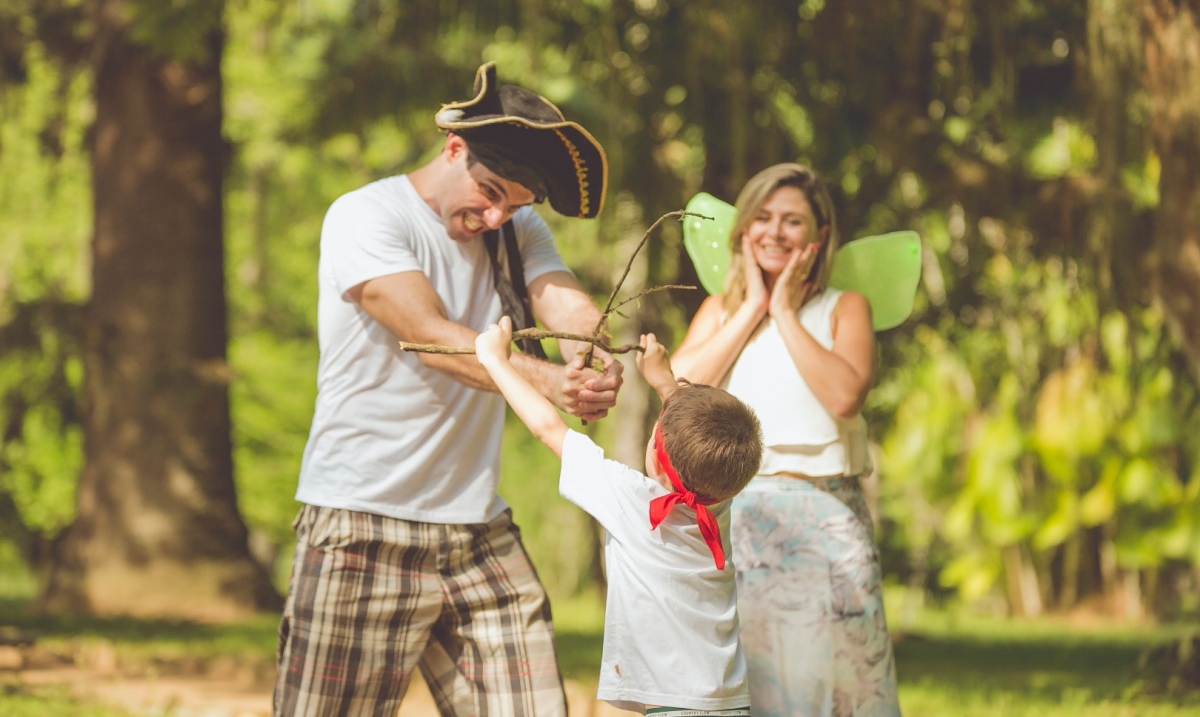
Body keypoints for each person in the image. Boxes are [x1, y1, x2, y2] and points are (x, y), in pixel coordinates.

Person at [273, 61, 625, 716]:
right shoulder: (365, 216)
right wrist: (550, 382)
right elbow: (430, 336)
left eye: (514, 205)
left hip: (474, 529)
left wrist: (587, 350)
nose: (495, 216)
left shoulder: (517, 229)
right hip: (361, 524)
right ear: (453, 148)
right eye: (489, 193)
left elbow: (562, 300)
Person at [671, 162, 902, 716]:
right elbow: (677, 391)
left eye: (792, 221)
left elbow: (844, 396)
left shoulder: (845, 308)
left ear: (818, 239)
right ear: (743, 231)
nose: (775, 231)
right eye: (763, 218)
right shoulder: (719, 311)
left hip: (824, 515)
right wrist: (752, 308)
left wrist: (783, 312)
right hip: (737, 516)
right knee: (749, 677)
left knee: (841, 679)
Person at [475, 316, 764, 717]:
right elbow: (687, 448)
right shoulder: (718, 505)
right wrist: (664, 380)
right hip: (729, 699)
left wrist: (495, 361)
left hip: (674, 707)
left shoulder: (630, 499)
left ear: (656, 458)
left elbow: (548, 428)